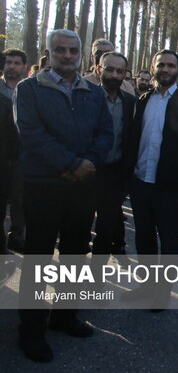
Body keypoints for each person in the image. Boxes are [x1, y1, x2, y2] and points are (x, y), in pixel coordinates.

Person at [14, 29, 113, 362]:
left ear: (81, 54)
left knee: (74, 253)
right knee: (39, 258)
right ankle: (31, 329)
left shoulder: (94, 93)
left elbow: (105, 133)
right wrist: (70, 163)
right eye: (60, 50)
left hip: (82, 188)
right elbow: (31, 135)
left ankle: (64, 315)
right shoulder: (29, 89)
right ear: (49, 52)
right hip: (44, 186)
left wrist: (89, 163)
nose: (67, 55)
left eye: (73, 50)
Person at [125, 49, 178, 307]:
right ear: (153, 67)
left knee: (169, 241)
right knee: (144, 238)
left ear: (177, 70)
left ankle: (162, 293)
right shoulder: (143, 99)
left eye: (171, 65)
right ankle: (146, 287)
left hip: (170, 186)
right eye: (161, 65)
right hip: (141, 182)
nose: (165, 69)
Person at [91, 52, 135, 270]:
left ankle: (96, 276)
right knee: (78, 227)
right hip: (85, 172)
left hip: (114, 176)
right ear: (98, 69)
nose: (114, 75)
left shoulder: (131, 103)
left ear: (125, 75)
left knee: (106, 228)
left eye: (119, 71)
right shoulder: (85, 98)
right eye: (109, 69)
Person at [0, 49, 27, 252]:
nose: (12, 66)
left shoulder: (29, 90)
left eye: (17, 63)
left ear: (24, 67)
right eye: (9, 62)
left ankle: (17, 237)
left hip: (22, 156)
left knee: (20, 201)